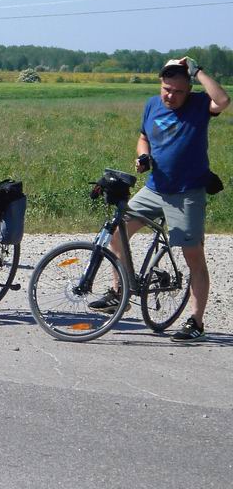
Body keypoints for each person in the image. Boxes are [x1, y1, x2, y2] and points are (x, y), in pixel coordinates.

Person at [91, 57, 230, 342]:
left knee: (194, 258)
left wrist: (197, 70)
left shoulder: (199, 104)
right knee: (117, 233)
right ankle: (121, 292)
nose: (171, 96)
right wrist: (143, 156)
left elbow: (224, 100)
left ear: (189, 89)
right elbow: (144, 137)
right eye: (167, 88)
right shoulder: (152, 105)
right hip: (154, 189)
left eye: (178, 91)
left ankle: (196, 322)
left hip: (187, 193)